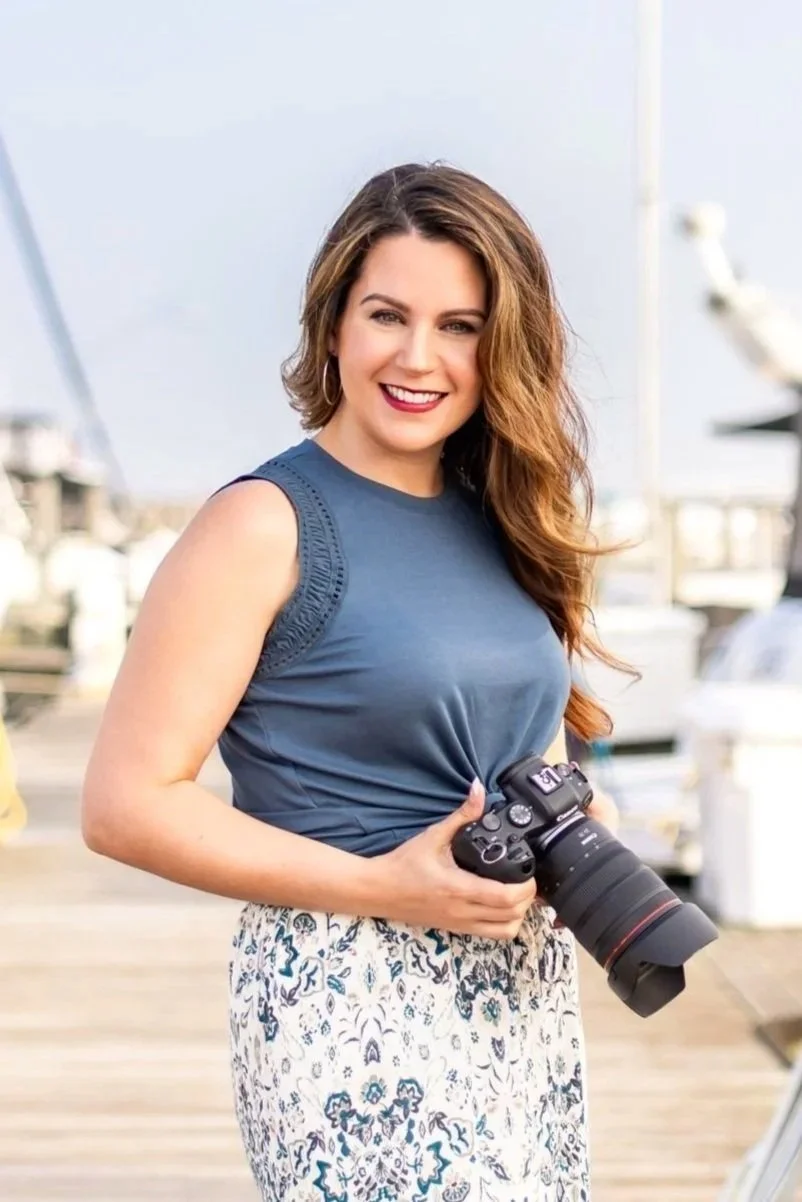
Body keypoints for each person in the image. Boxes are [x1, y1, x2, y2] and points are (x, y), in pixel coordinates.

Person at [82, 162, 622, 1202]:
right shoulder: (262, 524)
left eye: (460, 325)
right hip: (347, 992)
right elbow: (122, 804)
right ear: (333, 324)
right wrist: (385, 885)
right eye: (387, 314)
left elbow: (524, 748)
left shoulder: (503, 517)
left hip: (516, 995)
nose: (419, 358)